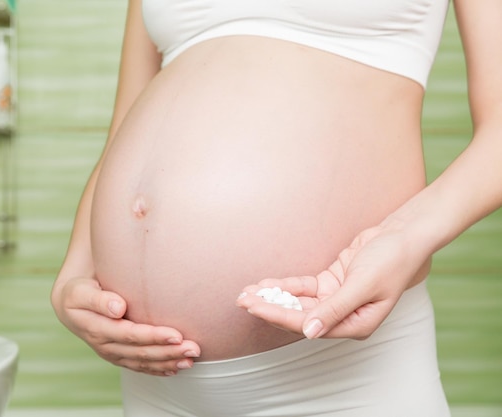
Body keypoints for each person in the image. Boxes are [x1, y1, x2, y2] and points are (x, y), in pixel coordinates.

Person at [52, 0, 502, 415]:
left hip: (340, 382)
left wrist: (405, 239)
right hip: (156, 388)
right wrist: (74, 272)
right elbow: (126, 127)